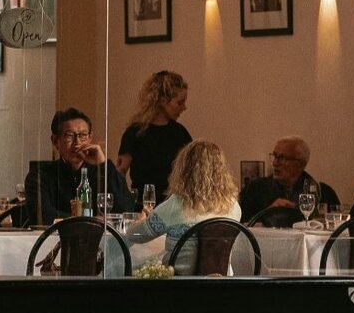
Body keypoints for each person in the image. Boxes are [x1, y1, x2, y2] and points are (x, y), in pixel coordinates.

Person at [125, 139, 241, 276]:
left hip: (179, 288)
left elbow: (135, 235)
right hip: (221, 287)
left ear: (184, 170)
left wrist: (141, 219)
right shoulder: (233, 206)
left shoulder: (176, 204)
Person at [25, 107, 135, 226]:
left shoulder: (102, 172)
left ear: (90, 138)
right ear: (55, 141)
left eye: (83, 135)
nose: (77, 143)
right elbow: (42, 217)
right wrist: (91, 221)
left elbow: (127, 211)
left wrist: (103, 164)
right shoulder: (40, 175)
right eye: (69, 136)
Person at [116, 70, 192, 207]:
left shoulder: (180, 133)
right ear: (163, 101)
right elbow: (120, 173)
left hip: (173, 207)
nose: (184, 107)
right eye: (180, 103)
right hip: (142, 207)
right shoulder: (134, 133)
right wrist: (126, 202)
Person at [238, 136, 340, 224]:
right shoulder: (254, 189)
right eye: (274, 156)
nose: (275, 163)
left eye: (282, 158)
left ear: (300, 164)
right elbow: (241, 225)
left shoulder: (324, 193)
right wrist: (268, 212)